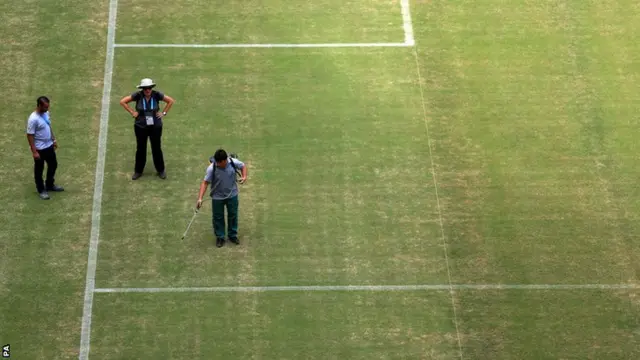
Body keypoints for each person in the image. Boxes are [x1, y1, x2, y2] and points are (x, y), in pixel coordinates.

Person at [119, 78, 175, 180]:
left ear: (151, 88)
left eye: (149, 88)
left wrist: (163, 113)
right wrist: (132, 112)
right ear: (142, 89)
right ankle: (138, 171)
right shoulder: (138, 95)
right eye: (145, 89)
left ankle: (161, 170)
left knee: (156, 148)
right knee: (141, 148)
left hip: (155, 126)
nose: (147, 90)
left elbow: (170, 101)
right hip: (141, 126)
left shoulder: (157, 94)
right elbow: (122, 101)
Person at [196, 149, 248, 248]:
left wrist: (244, 176)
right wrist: (200, 198)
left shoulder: (233, 162)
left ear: (225, 160)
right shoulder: (212, 168)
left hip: (232, 195)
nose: (217, 164)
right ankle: (220, 237)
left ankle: (232, 235)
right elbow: (205, 183)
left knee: (233, 215)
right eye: (216, 162)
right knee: (218, 217)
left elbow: (243, 165)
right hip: (217, 197)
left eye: (219, 162)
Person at [26, 96, 64, 200]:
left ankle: (50, 185)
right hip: (39, 149)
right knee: (39, 170)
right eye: (45, 107)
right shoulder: (33, 119)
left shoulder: (45, 114)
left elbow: (48, 126)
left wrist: (54, 139)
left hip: (49, 146)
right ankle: (41, 190)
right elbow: (30, 135)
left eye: (48, 107)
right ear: (39, 105)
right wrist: (34, 152)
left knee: (53, 165)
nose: (47, 109)